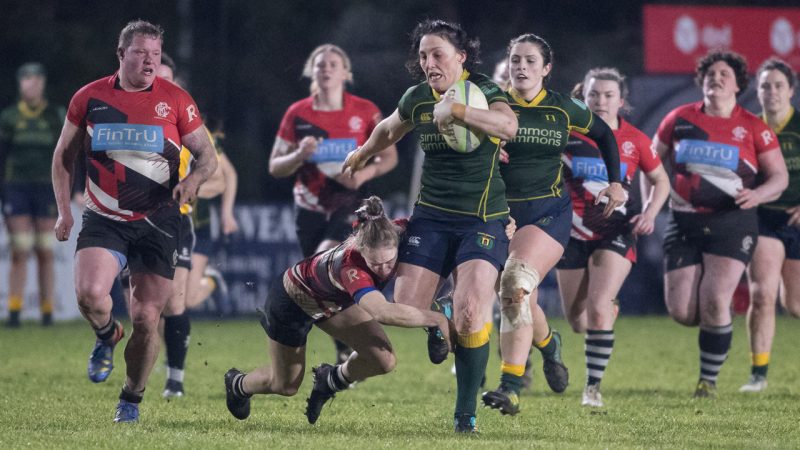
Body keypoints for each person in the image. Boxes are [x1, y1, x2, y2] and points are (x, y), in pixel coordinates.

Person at [343, 19, 518, 433]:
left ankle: (465, 417)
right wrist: (363, 153)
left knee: (473, 311)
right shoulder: (418, 97)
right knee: (403, 307)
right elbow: (389, 129)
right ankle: (440, 310)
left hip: (482, 217)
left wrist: (456, 110)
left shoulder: (484, 92)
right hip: (432, 217)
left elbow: (508, 126)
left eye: (437, 54)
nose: (428, 62)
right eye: (423, 55)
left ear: (461, 57)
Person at [51, 20, 218, 423]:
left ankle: (131, 397)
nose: (149, 61)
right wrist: (64, 210)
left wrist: (193, 181)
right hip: (104, 216)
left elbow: (207, 157)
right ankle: (107, 335)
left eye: (156, 55)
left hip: (159, 220)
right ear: (121, 53)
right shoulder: (89, 97)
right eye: (141, 52)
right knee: (91, 295)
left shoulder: (176, 100)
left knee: (146, 318)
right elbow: (63, 157)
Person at [480, 35, 626, 416]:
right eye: (515, 60)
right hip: (497, 212)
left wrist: (616, 182)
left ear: (547, 69)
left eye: (531, 61)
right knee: (516, 294)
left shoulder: (563, 108)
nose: (521, 67)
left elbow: (605, 134)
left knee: (513, 285)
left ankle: (510, 387)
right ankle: (549, 345)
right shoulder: (490, 104)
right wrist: (486, 145)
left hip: (547, 213)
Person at [223, 196, 452, 425]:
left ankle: (329, 380)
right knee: (285, 385)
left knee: (383, 360)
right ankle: (238, 384)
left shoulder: (397, 230)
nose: (383, 271)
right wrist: (436, 318)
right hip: (292, 300)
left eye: (389, 262)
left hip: (333, 301)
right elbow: (382, 312)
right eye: (375, 264)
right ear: (362, 252)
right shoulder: (351, 267)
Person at [653, 50, 787, 398]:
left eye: (724, 74)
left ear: (738, 83)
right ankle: (719, 326)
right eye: (711, 73)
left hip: (732, 223)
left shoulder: (754, 127)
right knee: (682, 311)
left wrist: (757, 196)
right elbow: (652, 163)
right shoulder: (678, 118)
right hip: (683, 222)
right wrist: (654, 204)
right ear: (702, 80)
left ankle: (707, 381)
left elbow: (779, 178)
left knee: (715, 299)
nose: (717, 78)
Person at [269, 44, 398, 364]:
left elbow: (390, 156)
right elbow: (275, 166)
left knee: (332, 259)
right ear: (311, 72)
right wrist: (299, 155)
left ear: (345, 72)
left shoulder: (364, 111)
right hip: (310, 207)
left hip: (351, 203)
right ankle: (345, 342)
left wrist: (364, 173)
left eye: (333, 64)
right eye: (320, 64)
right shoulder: (298, 113)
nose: (326, 69)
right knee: (322, 279)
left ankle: (354, 342)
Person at [556, 67, 670, 407]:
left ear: (621, 100)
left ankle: (592, 388)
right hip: (571, 233)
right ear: (584, 97)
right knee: (578, 322)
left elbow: (661, 180)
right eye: (594, 95)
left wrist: (649, 213)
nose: (601, 101)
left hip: (615, 231)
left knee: (598, 307)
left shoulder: (635, 139)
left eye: (608, 96)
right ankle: (606, 308)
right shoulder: (567, 133)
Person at [153, 54, 239, 399]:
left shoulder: (188, 123)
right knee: (146, 306)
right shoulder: (127, 116)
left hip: (181, 220)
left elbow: (223, 174)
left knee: (176, 302)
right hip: (132, 221)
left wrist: (194, 187)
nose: (160, 85)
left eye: (166, 79)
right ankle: (147, 365)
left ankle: (174, 378)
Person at [740, 58, 800, 393]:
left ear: (791, 90)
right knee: (762, 294)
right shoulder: (748, 129)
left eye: (778, 85)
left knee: (795, 305)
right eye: (765, 85)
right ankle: (758, 374)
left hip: (796, 219)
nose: (772, 91)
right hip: (764, 220)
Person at [0, 62, 65, 327]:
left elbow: (66, 153)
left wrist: (73, 188)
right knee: (20, 248)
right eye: (27, 79)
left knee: (45, 250)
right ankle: (14, 311)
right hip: (16, 186)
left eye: (37, 79)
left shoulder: (55, 115)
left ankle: (47, 311)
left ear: (43, 83)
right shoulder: (9, 116)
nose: (32, 83)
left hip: (47, 187)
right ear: (20, 83)